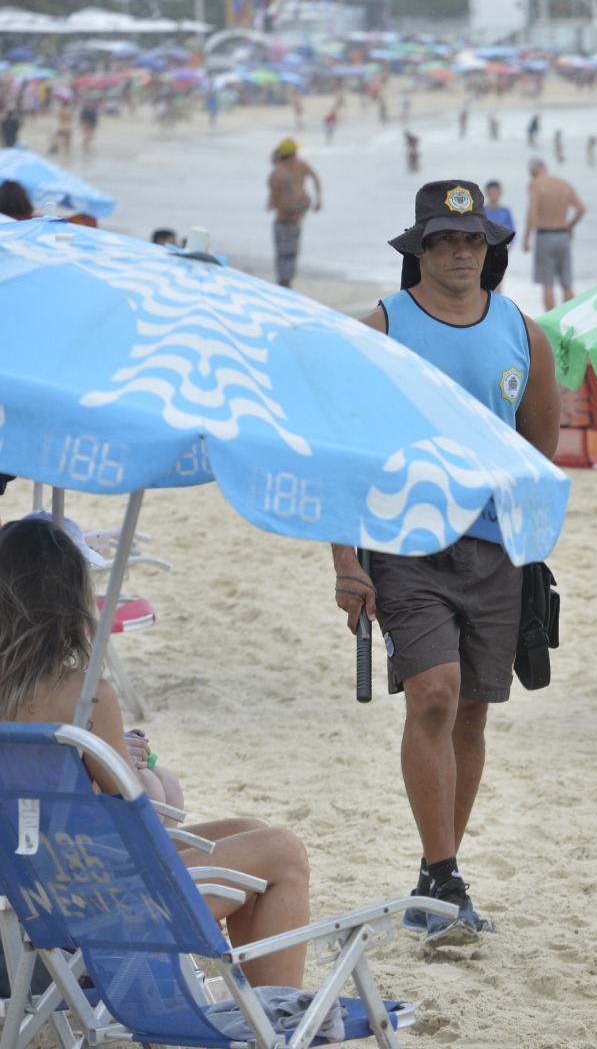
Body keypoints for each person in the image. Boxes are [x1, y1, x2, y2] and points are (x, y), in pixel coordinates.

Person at [331, 180, 560, 950]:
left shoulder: (524, 334)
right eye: (446, 240)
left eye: (474, 240)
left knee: (470, 712)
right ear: (419, 250)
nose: (462, 251)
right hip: (405, 544)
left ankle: (439, 875)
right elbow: (343, 452)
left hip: (497, 550)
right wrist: (345, 562)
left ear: (489, 249)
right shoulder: (382, 328)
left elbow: (539, 452)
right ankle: (443, 870)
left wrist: (532, 553)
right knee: (432, 694)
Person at [0, 517, 312, 989]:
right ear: (69, 602)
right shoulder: (85, 697)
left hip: (30, 899)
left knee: (249, 832)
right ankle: (279, 1024)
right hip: (93, 916)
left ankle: (265, 1017)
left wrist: (103, 754)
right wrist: (141, 769)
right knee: (283, 852)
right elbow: (139, 823)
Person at [521, 157, 585, 312]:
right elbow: (581, 209)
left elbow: (533, 212)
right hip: (563, 236)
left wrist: (527, 237)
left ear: (533, 171)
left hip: (545, 235)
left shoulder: (536, 184)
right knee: (566, 282)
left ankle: (550, 321)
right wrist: (570, 225)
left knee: (547, 283)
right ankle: (572, 319)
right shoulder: (564, 183)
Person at [265, 138, 322, 288]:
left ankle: (284, 294)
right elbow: (282, 208)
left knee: (289, 264)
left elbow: (316, 178)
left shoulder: (299, 166)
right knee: (285, 271)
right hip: (284, 225)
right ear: (290, 156)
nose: (297, 156)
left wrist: (318, 200)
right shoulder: (278, 176)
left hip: (293, 223)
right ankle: (283, 297)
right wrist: (303, 205)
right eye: (295, 154)